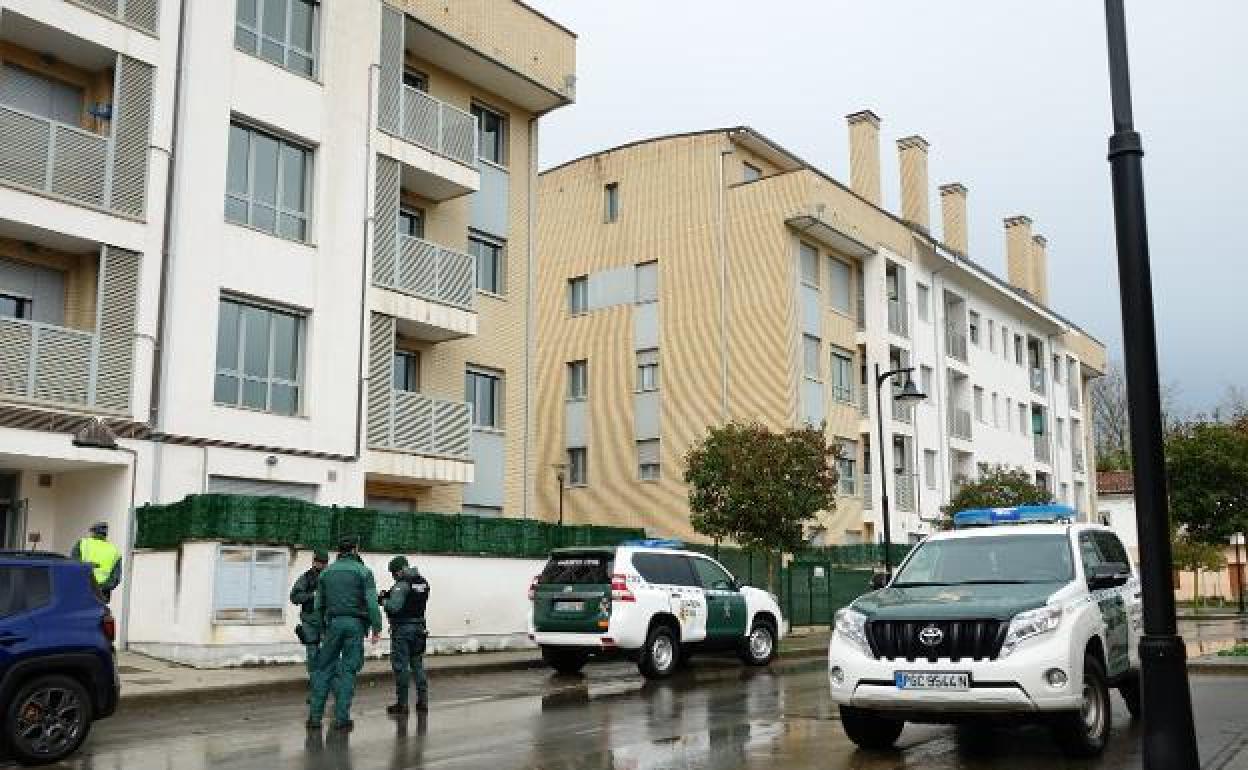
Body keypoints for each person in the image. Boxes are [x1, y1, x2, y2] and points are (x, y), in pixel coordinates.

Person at [307, 536, 382, 731]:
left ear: (339, 550)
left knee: (324, 669)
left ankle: (314, 718)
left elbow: (318, 606)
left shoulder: (326, 573)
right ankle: (341, 719)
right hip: (355, 625)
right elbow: (372, 603)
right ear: (355, 549)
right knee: (348, 670)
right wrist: (377, 628)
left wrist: (323, 629)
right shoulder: (364, 572)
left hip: (333, 624)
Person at [381, 555, 431, 714]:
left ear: (399, 570)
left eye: (393, 573)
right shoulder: (423, 582)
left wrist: (383, 601)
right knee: (417, 665)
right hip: (419, 629)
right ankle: (422, 702)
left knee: (401, 667)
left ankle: (402, 704)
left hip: (403, 630)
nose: (393, 576)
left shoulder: (402, 585)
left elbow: (394, 607)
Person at [290, 549, 331, 680]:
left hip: (327, 621)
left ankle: (325, 679)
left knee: (328, 652)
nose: (321, 565)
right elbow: (294, 597)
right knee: (312, 652)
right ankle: (315, 680)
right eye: (319, 562)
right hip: (310, 621)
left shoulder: (332, 577)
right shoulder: (306, 577)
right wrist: (311, 596)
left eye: (324, 563)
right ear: (314, 561)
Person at [70, 522, 121, 603]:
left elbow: (73, 566)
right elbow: (116, 578)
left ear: (92, 532)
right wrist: (101, 588)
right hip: (102, 595)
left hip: (82, 590)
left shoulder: (82, 543)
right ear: (105, 534)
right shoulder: (114, 551)